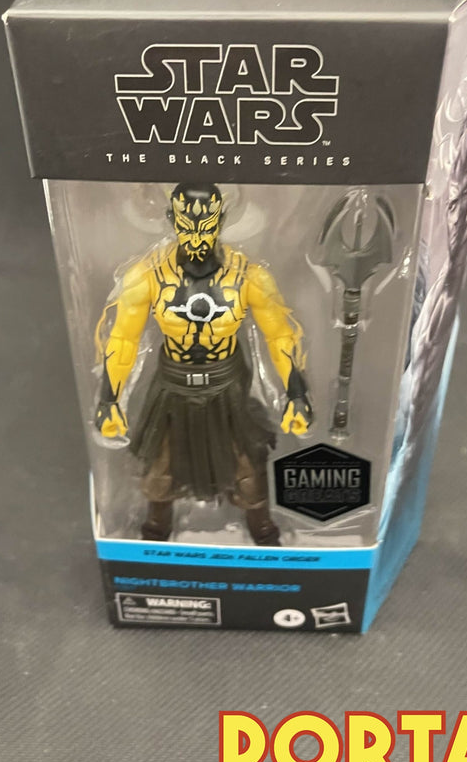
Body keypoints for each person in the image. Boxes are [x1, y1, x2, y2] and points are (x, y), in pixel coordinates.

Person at [94, 182, 312, 545]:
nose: (197, 234)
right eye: (187, 223)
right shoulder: (147, 276)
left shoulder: (248, 276)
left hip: (228, 386)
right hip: (172, 387)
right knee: (160, 470)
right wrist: (109, 399)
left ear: (220, 221)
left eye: (206, 223)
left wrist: (296, 393)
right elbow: (122, 339)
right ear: (172, 220)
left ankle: (262, 529)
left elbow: (280, 335)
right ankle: (155, 532)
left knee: (247, 468)